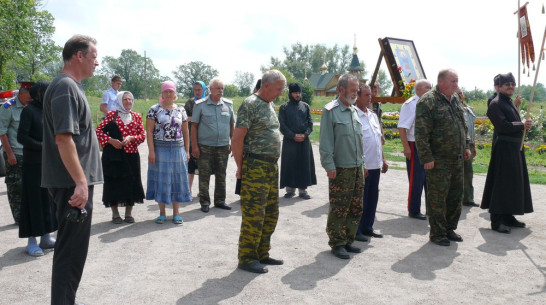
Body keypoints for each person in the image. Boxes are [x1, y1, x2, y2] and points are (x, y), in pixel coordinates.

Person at [42, 34, 103, 305]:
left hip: (73, 183)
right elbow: (63, 138)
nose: (97, 63)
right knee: (70, 256)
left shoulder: (70, 87)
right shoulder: (65, 87)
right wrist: (80, 182)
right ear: (79, 56)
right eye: (93, 57)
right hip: (71, 186)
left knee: (74, 254)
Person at [232, 70, 286, 274]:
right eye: (278, 88)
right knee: (254, 214)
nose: (280, 93)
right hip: (255, 166)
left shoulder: (269, 104)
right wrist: (240, 167)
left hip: (271, 166)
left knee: (271, 213)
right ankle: (246, 257)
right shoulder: (250, 104)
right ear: (266, 85)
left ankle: (262, 252)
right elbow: (237, 139)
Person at [415, 69, 471, 247]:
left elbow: (462, 124)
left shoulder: (454, 98)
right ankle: (437, 233)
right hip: (438, 160)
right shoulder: (428, 101)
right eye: (453, 81)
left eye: (457, 81)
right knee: (438, 197)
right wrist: (427, 158)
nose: (456, 84)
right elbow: (421, 133)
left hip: (457, 158)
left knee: (455, 195)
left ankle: (449, 228)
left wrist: (466, 145)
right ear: (441, 82)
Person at [319, 74, 365, 259]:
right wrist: (329, 165)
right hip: (340, 168)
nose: (356, 93)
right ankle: (337, 243)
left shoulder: (354, 111)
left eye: (357, 90)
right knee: (339, 207)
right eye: (353, 90)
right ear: (341, 90)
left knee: (356, 206)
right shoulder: (331, 111)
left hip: (356, 167)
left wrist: (363, 165)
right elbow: (326, 142)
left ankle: (347, 239)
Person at [481, 72, 533, 234]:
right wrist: (521, 124)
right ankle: (497, 221)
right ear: (498, 87)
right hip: (504, 148)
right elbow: (503, 126)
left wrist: (524, 124)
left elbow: (513, 122)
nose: (511, 86)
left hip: (515, 148)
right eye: (507, 84)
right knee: (501, 183)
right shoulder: (495, 104)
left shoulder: (509, 102)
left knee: (513, 182)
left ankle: (509, 215)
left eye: (512, 84)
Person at [17, 82, 57, 257]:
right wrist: (42, 146)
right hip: (33, 164)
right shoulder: (29, 110)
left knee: (48, 200)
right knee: (33, 201)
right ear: (39, 94)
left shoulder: (48, 110)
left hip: (48, 163)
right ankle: (31, 241)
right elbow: (21, 137)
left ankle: (46, 237)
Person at [95, 91, 146, 224]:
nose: (128, 102)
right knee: (114, 184)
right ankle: (115, 214)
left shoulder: (136, 116)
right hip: (114, 157)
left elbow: (142, 135)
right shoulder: (112, 115)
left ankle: (128, 213)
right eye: (125, 99)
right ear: (119, 101)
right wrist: (110, 140)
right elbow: (98, 131)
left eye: (130, 99)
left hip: (131, 156)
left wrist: (132, 138)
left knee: (132, 183)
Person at [146, 80, 191, 225]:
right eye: (166, 91)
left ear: (175, 94)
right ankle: (162, 213)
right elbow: (149, 131)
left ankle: (176, 213)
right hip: (160, 148)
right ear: (162, 93)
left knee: (177, 180)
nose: (168, 94)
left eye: (171, 91)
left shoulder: (181, 110)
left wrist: (187, 151)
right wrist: (151, 151)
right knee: (162, 180)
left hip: (178, 149)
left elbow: (185, 131)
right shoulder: (154, 109)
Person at [191, 78, 234, 213]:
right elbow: (194, 126)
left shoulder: (228, 105)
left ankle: (220, 200)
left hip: (222, 146)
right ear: (210, 89)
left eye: (222, 88)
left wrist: (232, 142)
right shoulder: (200, 105)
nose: (220, 91)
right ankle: (204, 202)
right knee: (204, 175)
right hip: (205, 146)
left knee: (221, 174)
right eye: (218, 88)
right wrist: (195, 146)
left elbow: (232, 124)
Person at [354, 84, 388, 241]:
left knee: (373, 197)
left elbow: (377, 139)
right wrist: (362, 165)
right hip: (363, 165)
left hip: (375, 164)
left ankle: (368, 226)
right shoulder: (354, 115)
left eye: (370, 95)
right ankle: (357, 229)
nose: (370, 98)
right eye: (366, 95)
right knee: (361, 198)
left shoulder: (373, 116)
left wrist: (384, 159)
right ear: (358, 97)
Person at [397, 79, 432, 220]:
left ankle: (431, 208)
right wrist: (406, 147)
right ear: (417, 90)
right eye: (426, 88)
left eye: (431, 87)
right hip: (414, 145)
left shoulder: (430, 103)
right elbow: (402, 127)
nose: (429, 90)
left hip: (428, 146)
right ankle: (414, 209)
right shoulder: (411, 105)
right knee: (416, 180)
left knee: (429, 179)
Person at [0, 82, 33, 224]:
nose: (32, 98)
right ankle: (19, 218)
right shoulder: (8, 107)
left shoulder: (32, 106)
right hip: (15, 153)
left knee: (31, 185)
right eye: (29, 95)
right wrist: (9, 153)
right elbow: (2, 132)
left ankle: (30, 214)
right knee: (16, 186)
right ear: (22, 93)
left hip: (30, 153)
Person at [278, 82, 316, 199]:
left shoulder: (306, 106)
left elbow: (310, 123)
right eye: (295, 93)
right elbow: (282, 125)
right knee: (290, 164)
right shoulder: (284, 108)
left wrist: (305, 135)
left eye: (299, 92)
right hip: (290, 141)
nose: (298, 95)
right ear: (290, 94)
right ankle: (290, 190)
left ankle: (303, 191)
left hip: (304, 141)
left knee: (304, 164)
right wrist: (293, 135)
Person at [456, 88, 479, 207]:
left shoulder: (469, 109)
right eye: (457, 94)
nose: (460, 96)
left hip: (468, 144)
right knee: (456, 173)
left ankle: (468, 198)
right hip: (457, 144)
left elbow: (472, 129)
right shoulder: (453, 109)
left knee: (468, 172)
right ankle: (456, 199)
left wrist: (473, 145)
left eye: (461, 93)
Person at [185, 81, 206, 196]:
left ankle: (202, 191)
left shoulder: (207, 102)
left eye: (199, 89)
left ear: (204, 90)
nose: (197, 92)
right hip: (192, 138)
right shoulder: (190, 103)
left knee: (203, 166)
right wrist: (197, 118)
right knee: (190, 166)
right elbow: (184, 118)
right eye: (195, 90)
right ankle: (188, 190)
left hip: (205, 138)